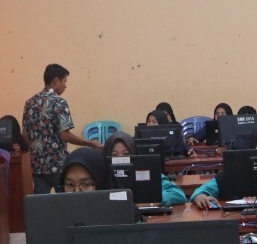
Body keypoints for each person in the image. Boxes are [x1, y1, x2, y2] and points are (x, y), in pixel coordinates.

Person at [23, 63, 96, 194]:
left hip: (37, 166)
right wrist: (90, 143)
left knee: (41, 206)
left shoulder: (30, 103)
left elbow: (25, 134)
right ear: (56, 81)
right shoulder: (59, 102)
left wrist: (36, 151)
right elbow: (64, 135)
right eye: (64, 81)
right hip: (57, 165)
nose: (65, 86)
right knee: (64, 204)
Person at [104, 132, 188, 206]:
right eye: (114, 155)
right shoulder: (100, 174)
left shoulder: (146, 170)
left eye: (126, 154)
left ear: (134, 153)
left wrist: (154, 199)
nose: (121, 159)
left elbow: (178, 194)